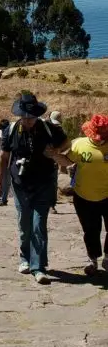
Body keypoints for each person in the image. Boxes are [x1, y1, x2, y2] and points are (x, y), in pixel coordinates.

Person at [0, 93, 70, 285]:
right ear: (20, 115)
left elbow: (66, 142)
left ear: (37, 114)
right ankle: (24, 258)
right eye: (25, 117)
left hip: (43, 184)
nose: (28, 121)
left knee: (38, 224)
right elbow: (3, 157)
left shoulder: (48, 128)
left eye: (31, 117)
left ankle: (38, 267)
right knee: (24, 224)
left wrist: (54, 153)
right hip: (20, 186)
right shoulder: (11, 131)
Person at [66, 114, 108, 275]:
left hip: (107, 195)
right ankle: (93, 261)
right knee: (90, 231)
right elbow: (67, 159)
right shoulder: (78, 144)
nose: (99, 139)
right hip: (83, 196)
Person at [49, 111, 63, 214]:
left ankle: (51, 205)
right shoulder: (42, 129)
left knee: (53, 184)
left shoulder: (60, 131)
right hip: (42, 162)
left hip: (53, 163)